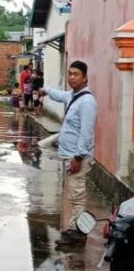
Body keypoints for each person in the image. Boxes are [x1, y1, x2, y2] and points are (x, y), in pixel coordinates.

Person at [39, 60, 97, 246]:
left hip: (77, 157)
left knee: (77, 195)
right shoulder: (74, 96)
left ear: (85, 77)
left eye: (76, 74)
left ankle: (78, 234)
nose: (72, 77)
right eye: (70, 73)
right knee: (73, 195)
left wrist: (78, 158)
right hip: (70, 155)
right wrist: (46, 90)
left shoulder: (87, 102)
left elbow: (86, 133)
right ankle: (74, 229)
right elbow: (60, 95)